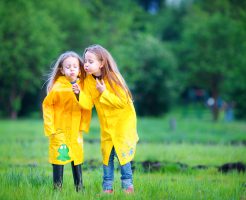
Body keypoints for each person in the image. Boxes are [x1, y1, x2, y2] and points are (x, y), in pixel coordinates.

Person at [72, 44, 139, 194]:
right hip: (107, 125)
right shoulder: (88, 81)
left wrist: (104, 92)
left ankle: (128, 186)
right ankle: (107, 189)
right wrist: (78, 94)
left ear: (101, 63)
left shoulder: (114, 78)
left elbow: (122, 103)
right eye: (85, 61)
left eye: (90, 61)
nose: (86, 65)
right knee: (107, 155)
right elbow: (88, 104)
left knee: (123, 155)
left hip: (123, 124)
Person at [42, 51, 91, 191]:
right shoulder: (57, 87)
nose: (72, 69)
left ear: (79, 69)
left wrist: (78, 94)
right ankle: (57, 189)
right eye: (68, 66)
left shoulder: (83, 86)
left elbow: (88, 106)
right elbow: (47, 106)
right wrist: (50, 128)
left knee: (77, 158)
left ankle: (79, 188)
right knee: (59, 157)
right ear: (62, 70)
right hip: (60, 130)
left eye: (75, 66)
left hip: (75, 131)